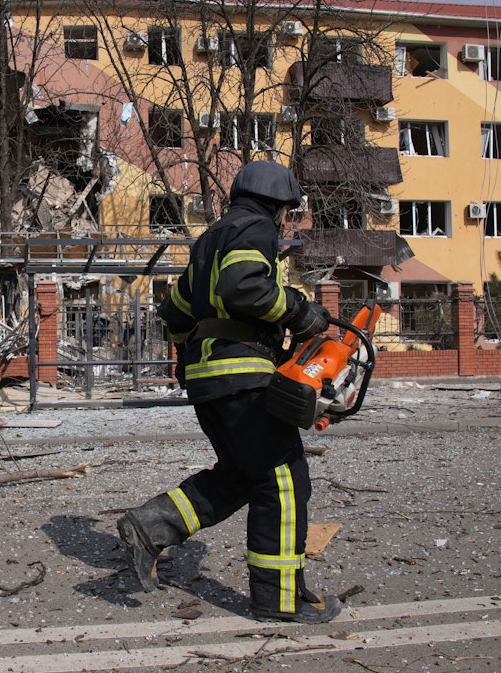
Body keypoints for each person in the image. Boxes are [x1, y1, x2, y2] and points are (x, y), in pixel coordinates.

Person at [116, 160, 339, 623]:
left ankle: (151, 527)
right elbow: (244, 288)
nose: (283, 221)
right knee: (282, 478)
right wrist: (300, 313)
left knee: (242, 474)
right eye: (285, 211)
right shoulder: (255, 229)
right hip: (243, 374)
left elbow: (175, 313)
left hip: (211, 381)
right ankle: (279, 601)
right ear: (276, 206)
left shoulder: (209, 240)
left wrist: (186, 360)